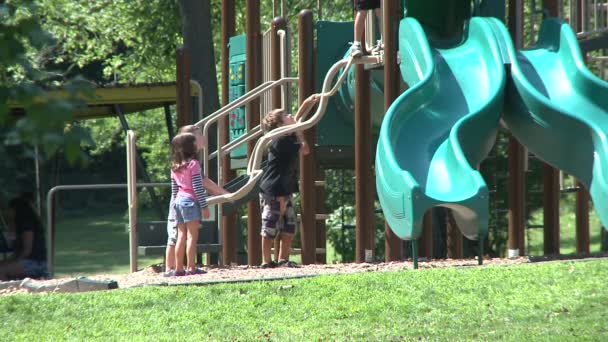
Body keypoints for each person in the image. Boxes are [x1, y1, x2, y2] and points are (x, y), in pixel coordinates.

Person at [259, 94, 320, 268]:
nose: (290, 116)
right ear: (279, 125)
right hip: (275, 189)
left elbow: (296, 121)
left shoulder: (287, 134)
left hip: (285, 187)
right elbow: (305, 149)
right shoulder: (281, 141)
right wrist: (299, 130)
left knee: (289, 226)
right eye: (286, 115)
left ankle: (283, 260)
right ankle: (266, 261)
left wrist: (307, 104)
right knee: (271, 225)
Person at [164, 125, 228, 277]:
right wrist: (204, 206)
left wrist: (175, 205)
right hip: (190, 202)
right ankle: (191, 268)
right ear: (191, 146)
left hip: (178, 202)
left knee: (181, 236)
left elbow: (174, 189)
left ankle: (178, 269)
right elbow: (198, 187)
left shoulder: (175, 166)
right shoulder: (194, 165)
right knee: (192, 237)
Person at [0, 194, 47, 281]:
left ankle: (8, 290)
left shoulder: (27, 226)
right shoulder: (18, 225)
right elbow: (15, 249)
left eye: (10, 209)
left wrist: (12, 262)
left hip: (36, 263)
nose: (8, 212)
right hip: (28, 261)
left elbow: (27, 251)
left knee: (1, 270)